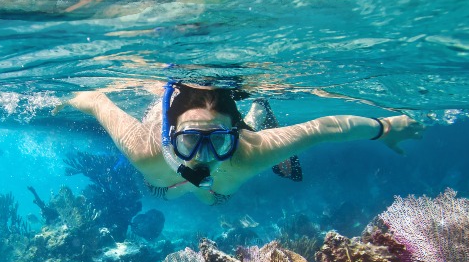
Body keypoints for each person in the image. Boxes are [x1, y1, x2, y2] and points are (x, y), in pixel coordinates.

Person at [53, 82, 424, 205]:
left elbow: (324, 127)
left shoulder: (250, 151)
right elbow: (98, 100)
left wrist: (385, 126)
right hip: (162, 185)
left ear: (235, 135)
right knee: (172, 189)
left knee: (213, 197)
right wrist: (68, 100)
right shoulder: (145, 149)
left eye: (217, 141)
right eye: (189, 141)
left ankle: (256, 114)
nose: (202, 156)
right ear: (170, 137)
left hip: (222, 178)